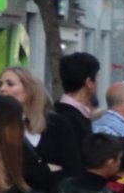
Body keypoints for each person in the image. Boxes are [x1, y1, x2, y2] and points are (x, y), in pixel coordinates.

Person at [41, 52, 100, 185]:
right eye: (96, 77)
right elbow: (78, 166)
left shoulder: (60, 112)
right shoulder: (69, 119)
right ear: (89, 82)